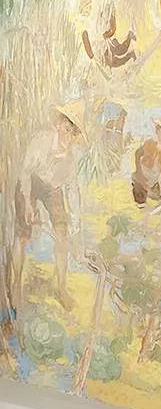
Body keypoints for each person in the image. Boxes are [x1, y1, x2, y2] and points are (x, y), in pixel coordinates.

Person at [13, 100, 87, 312]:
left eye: (73, 134)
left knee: (62, 232)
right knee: (22, 234)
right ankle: (16, 283)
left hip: (51, 188)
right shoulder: (42, 141)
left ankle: (61, 288)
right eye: (67, 129)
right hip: (29, 181)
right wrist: (28, 203)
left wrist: (75, 228)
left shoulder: (69, 163)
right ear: (58, 125)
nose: (68, 137)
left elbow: (72, 193)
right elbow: (25, 171)